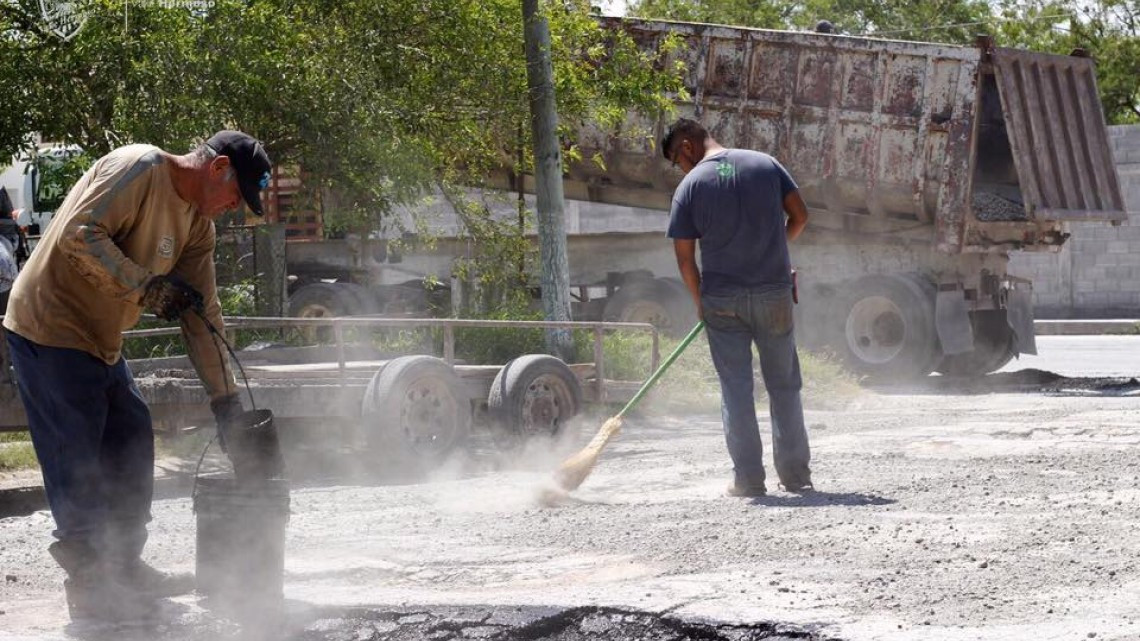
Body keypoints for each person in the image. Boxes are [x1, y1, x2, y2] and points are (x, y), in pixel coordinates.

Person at [2, 130, 271, 621]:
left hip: (102, 338)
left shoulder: (197, 226)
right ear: (217, 169)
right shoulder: (139, 169)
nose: (234, 207)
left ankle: (123, 566)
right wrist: (145, 287)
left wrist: (226, 403)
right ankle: (88, 582)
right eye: (237, 196)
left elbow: (202, 314)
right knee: (76, 449)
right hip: (49, 326)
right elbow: (78, 236)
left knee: (130, 437)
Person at [662, 118, 812, 498]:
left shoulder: (690, 186)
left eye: (677, 161)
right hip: (774, 295)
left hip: (723, 301)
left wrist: (700, 304)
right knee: (784, 385)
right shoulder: (765, 164)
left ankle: (749, 481)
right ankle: (795, 476)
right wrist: (775, 249)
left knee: (736, 390)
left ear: (686, 147)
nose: (681, 168)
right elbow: (801, 216)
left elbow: (684, 260)